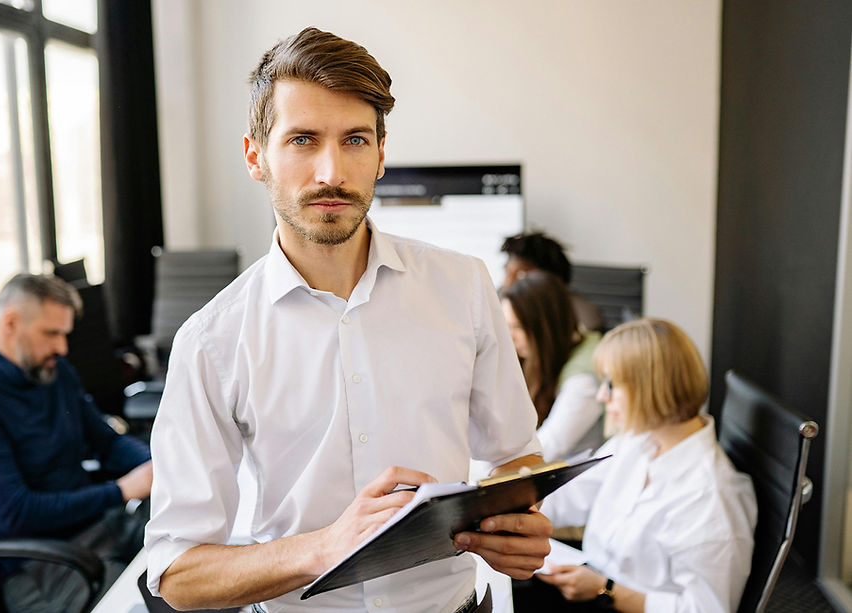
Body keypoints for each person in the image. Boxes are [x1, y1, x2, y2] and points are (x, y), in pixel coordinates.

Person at [145, 27, 553, 613]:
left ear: (381, 155)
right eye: (304, 140)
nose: (331, 171)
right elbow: (178, 574)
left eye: (355, 140)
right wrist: (326, 547)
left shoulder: (464, 285)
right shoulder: (212, 341)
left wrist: (520, 524)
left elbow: (517, 457)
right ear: (256, 155)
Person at [514, 318, 757, 612]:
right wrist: (501, 504)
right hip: (591, 584)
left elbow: (706, 609)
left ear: (649, 389)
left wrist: (607, 591)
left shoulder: (709, 497)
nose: (602, 395)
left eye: (612, 385)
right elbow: (568, 497)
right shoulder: (638, 440)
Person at [0, 273, 153, 613]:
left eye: (65, 334)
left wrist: (155, 465)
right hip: (40, 564)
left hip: (97, 528)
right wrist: (121, 490)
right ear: (11, 322)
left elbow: (106, 442)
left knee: (193, 548)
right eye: (51, 334)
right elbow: (16, 512)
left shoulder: (54, 371)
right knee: (150, 601)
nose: (62, 347)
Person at [501, 270, 604, 461]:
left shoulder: (584, 378)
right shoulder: (547, 355)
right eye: (506, 326)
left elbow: (546, 448)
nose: (510, 337)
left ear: (546, 327)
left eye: (518, 327)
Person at [500, 231, 605, 333]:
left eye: (522, 276)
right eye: (507, 273)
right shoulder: (501, 302)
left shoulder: (583, 317)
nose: (507, 284)